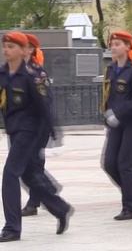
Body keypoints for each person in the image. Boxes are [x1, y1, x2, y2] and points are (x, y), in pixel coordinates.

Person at [0, 32, 73, 242]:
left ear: (24, 50)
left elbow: (44, 106)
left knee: (10, 174)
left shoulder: (32, 75)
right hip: (14, 129)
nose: (7, 50)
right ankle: (61, 209)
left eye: (12, 46)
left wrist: (54, 132)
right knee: (29, 175)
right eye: (5, 46)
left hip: (31, 131)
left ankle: (12, 228)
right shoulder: (3, 74)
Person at [101, 31, 132, 221]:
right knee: (110, 163)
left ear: (128, 47)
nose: (113, 47)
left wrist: (118, 112)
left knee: (125, 164)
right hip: (115, 123)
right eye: (112, 44)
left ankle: (130, 207)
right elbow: (108, 96)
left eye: (118, 44)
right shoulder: (111, 69)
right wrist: (107, 114)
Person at [20, 34, 55, 217]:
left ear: (31, 49)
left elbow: (46, 101)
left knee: (32, 164)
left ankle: (36, 201)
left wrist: (48, 128)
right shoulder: (15, 70)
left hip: (37, 126)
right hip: (21, 126)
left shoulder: (37, 73)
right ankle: (47, 190)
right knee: (26, 164)